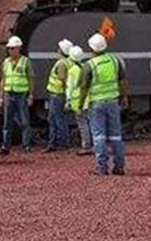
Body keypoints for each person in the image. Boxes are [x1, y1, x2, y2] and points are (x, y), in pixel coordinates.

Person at [78, 33, 129, 175]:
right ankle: (119, 167)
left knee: (99, 136)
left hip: (97, 104)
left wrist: (80, 104)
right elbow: (123, 80)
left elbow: (84, 87)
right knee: (116, 135)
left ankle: (101, 168)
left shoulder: (90, 65)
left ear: (91, 48)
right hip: (113, 102)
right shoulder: (114, 60)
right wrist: (124, 96)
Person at [0, 35, 33, 154]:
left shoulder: (25, 61)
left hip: (21, 94)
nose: (10, 50)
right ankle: (5, 146)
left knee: (24, 121)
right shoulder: (6, 62)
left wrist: (30, 95)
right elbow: (3, 79)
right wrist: (1, 96)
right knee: (7, 122)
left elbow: (31, 79)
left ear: (19, 48)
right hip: (8, 93)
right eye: (9, 48)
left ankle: (26, 145)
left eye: (12, 48)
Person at [43, 39, 73, 152]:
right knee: (53, 119)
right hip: (57, 94)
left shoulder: (61, 63)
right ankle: (53, 142)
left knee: (58, 119)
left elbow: (63, 79)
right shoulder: (68, 62)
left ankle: (63, 142)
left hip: (57, 94)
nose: (57, 50)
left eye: (59, 48)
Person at [65, 45, 92, 155]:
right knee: (91, 123)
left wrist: (68, 100)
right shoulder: (86, 67)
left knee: (82, 125)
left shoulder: (72, 70)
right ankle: (96, 144)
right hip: (89, 100)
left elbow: (70, 87)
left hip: (78, 101)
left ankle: (86, 146)